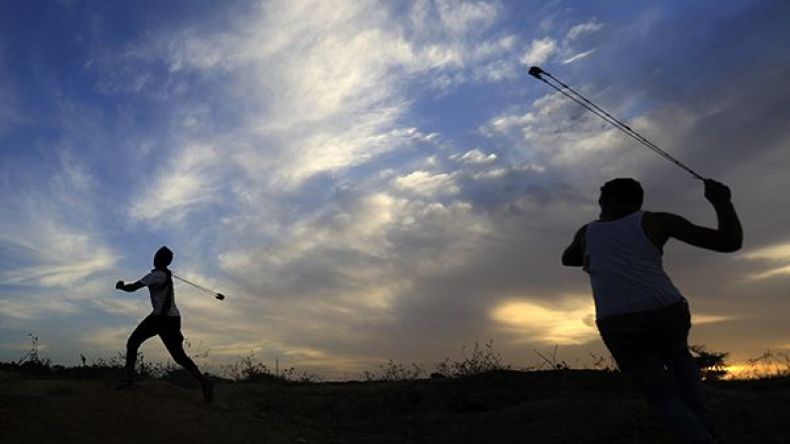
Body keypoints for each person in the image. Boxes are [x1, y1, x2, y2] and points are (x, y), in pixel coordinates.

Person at [562, 178, 742, 444]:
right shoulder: (658, 221)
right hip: (666, 310)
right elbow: (729, 242)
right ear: (638, 202)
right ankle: (708, 431)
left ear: (604, 202)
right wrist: (722, 203)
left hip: (618, 320)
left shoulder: (587, 233)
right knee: (681, 363)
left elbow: (568, 258)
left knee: (658, 392)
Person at [115, 246, 213, 404]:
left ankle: (127, 381)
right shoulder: (164, 275)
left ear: (159, 260)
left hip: (161, 319)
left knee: (133, 343)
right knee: (179, 357)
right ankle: (204, 383)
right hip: (172, 319)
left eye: (157, 256)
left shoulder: (156, 276)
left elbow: (133, 288)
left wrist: (121, 286)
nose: (154, 258)